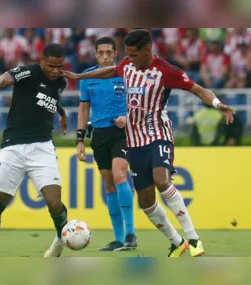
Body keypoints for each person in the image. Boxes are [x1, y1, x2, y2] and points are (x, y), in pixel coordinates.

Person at [62, 29, 235, 257]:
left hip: (158, 133)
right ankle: (176, 242)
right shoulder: (127, 65)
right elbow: (111, 71)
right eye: (128, 55)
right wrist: (79, 77)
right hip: (135, 140)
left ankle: (193, 239)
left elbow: (199, 90)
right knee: (145, 201)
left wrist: (217, 104)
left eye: (133, 55)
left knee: (161, 180)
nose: (129, 60)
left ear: (147, 50)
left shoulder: (165, 71)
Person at [0, 43, 69, 257]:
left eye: (59, 66)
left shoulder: (61, 82)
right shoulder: (28, 72)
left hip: (42, 146)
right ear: (41, 61)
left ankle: (60, 240)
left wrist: (62, 112)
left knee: (54, 202)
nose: (55, 71)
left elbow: (49, 99)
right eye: (51, 66)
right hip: (13, 145)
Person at [77, 37, 136, 251]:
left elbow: (140, 101)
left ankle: (131, 234)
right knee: (109, 184)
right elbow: (84, 109)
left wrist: (128, 117)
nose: (104, 56)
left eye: (108, 52)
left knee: (120, 174)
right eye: (100, 52)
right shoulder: (87, 77)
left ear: (115, 53)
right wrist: (80, 140)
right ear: (95, 54)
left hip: (122, 132)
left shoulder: (126, 73)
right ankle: (119, 238)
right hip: (99, 134)